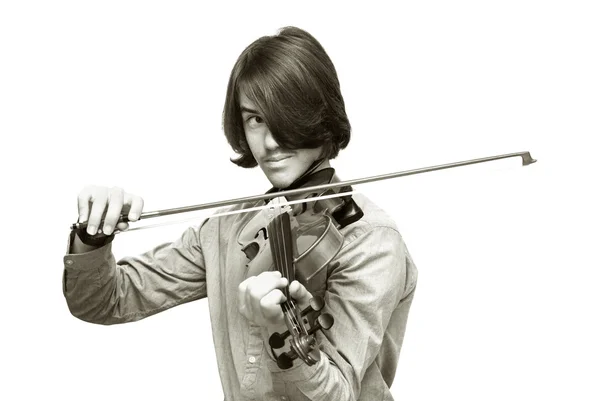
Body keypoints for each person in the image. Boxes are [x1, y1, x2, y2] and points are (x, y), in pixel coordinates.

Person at [62, 26, 418, 401]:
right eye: (255, 119)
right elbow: (105, 300)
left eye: (286, 116)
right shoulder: (230, 229)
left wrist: (280, 334)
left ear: (321, 115)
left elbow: (338, 393)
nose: (270, 142)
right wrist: (92, 236)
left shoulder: (371, 240)